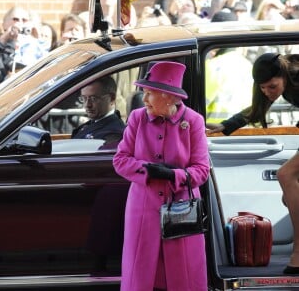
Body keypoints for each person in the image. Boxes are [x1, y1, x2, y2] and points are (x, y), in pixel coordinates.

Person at [113, 61, 210, 290]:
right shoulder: (138, 118)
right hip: (144, 207)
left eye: (149, 94)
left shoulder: (193, 122)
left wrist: (172, 175)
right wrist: (147, 170)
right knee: (142, 273)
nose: (144, 100)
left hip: (181, 209)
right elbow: (120, 160)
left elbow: (202, 170)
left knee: (182, 274)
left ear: (169, 97)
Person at [206, 53, 299, 274]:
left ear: (283, 76)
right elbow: (255, 110)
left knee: (285, 175)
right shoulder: (282, 83)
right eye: (263, 88)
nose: (268, 92)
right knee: (290, 196)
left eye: (272, 87)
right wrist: (226, 126)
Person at [71, 76, 125, 147]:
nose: (87, 105)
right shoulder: (94, 123)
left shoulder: (114, 133)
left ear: (112, 98)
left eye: (93, 98)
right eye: (84, 98)